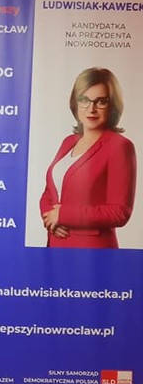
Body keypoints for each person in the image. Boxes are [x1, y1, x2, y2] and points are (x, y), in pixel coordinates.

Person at [40, 67, 136, 248]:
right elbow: (49, 193)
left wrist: (63, 215)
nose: (91, 108)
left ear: (112, 105)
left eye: (101, 102)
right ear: (75, 103)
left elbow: (120, 212)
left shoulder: (120, 146)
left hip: (92, 249)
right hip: (56, 244)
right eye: (84, 100)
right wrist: (49, 217)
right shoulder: (69, 142)